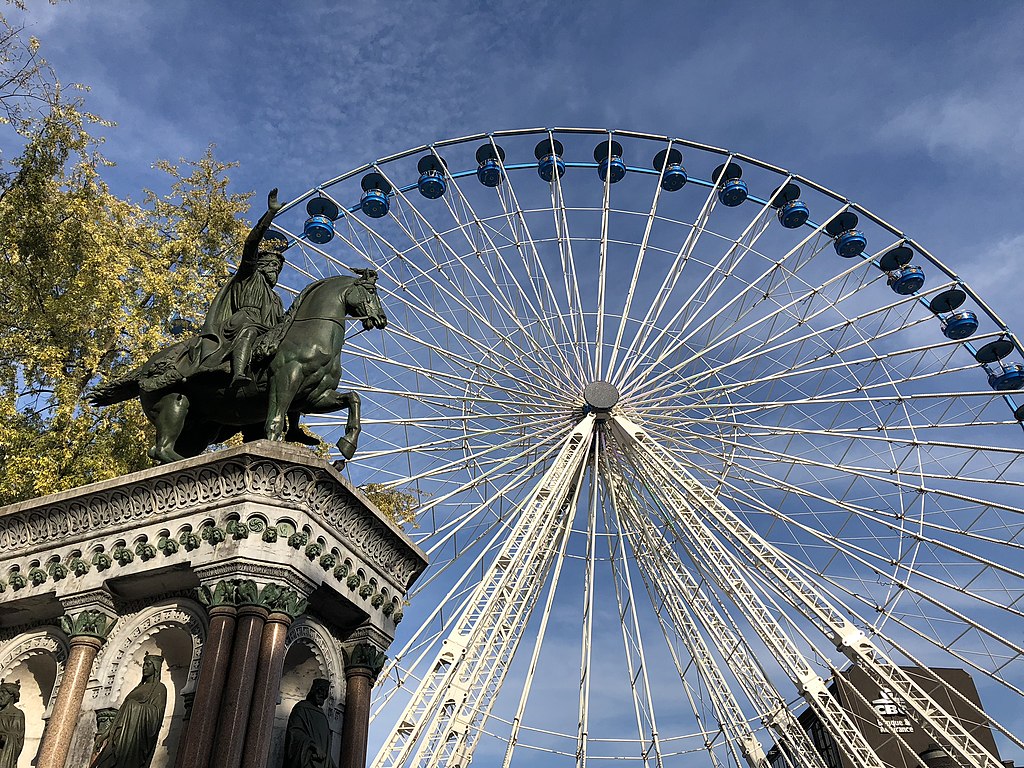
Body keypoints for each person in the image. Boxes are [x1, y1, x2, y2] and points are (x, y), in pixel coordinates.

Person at [201, 188, 286, 385]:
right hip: (242, 322)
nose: (276, 270)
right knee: (250, 331)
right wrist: (270, 214)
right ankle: (238, 373)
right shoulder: (249, 275)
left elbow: (281, 323)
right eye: (273, 265)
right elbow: (251, 244)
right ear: (262, 265)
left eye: (279, 268)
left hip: (266, 329)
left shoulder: (276, 299)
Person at [91, 655, 167, 768]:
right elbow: (119, 717)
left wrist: (133, 707)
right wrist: (103, 736)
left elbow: (156, 715)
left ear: (156, 667)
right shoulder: (137, 689)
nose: (144, 667)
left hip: (135, 740)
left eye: (148, 664)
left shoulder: (159, 688)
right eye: (144, 664)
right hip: (118, 735)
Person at [284, 678, 336, 768]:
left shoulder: (322, 716)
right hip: (307, 759)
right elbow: (294, 733)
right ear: (314, 691)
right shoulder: (301, 708)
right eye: (320, 691)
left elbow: (325, 746)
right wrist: (313, 746)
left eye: (325, 692)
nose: (322, 694)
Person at [0, 681, 24, 768]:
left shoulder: (17, 714)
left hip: (4, 753)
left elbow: (17, 740)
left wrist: (3, 737)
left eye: (3, 693)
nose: (0, 696)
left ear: (12, 695)